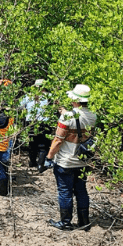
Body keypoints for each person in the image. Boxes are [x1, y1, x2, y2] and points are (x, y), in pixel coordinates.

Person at [45, 84, 97, 231]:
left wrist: (49, 157)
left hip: (66, 161)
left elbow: (58, 140)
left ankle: (65, 222)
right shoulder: (93, 115)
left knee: (65, 191)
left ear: (75, 100)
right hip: (83, 161)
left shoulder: (67, 116)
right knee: (81, 190)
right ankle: (84, 222)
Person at [20, 79, 51, 172]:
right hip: (44, 122)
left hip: (31, 122)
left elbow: (20, 106)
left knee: (32, 143)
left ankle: (32, 162)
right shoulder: (49, 96)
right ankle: (40, 165)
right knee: (43, 145)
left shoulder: (28, 96)